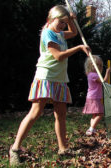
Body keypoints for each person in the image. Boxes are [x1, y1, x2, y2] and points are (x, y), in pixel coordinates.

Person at [9, 5, 91, 166]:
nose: (62, 26)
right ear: (50, 19)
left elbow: (73, 33)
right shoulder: (48, 33)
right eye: (60, 22)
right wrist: (79, 48)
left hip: (60, 79)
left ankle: (63, 148)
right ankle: (15, 149)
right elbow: (59, 56)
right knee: (35, 113)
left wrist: (72, 21)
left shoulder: (60, 33)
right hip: (46, 77)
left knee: (61, 115)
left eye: (64, 23)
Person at [82, 55, 111, 136]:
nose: (99, 67)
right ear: (91, 65)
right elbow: (103, 81)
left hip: (91, 97)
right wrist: (107, 72)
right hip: (94, 97)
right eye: (97, 64)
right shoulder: (94, 75)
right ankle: (91, 129)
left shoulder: (90, 74)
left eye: (100, 65)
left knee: (95, 114)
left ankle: (92, 129)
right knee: (101, 113)